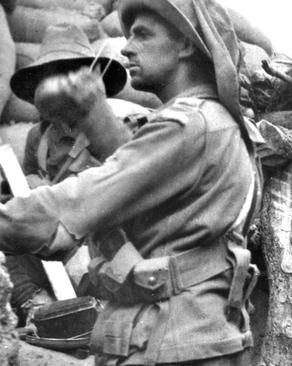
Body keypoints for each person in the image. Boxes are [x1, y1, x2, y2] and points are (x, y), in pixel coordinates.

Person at [0, 0, 268, 364]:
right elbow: (143, 188)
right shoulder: (212, 122)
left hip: (172, 345)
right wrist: (95, 119)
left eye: (142, 35)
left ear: (186, 44)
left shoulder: (188, 126)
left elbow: (66, 212)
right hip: (190, 338)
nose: (126, 47)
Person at [4, 23, 130, 327]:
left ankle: (94, 313)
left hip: (99, 238)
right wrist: (32, 186)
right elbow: (31, 176)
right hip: (55, 236)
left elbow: (129, 181)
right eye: (49, 79)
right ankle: (41, 309)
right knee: (14, 250)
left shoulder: (112, 129)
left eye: (67, 77)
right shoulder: (38, 136)